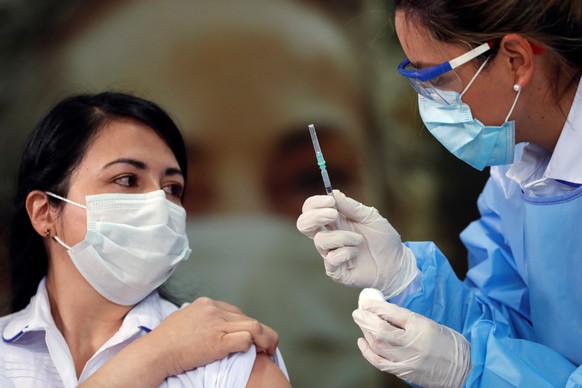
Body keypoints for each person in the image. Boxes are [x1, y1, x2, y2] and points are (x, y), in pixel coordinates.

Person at [297, 0, 582, 386]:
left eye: (436, 78)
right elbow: (508, 330)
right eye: (415, 77)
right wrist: (406, 281)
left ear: (516, 60)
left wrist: (473, 370)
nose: (427, 101)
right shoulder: (515, 174)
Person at [0, 91, 290, 387]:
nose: (159, 204)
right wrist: (158, 354)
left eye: (172, 188)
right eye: (127, 179)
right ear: (44, 213)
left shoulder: (226, 354)